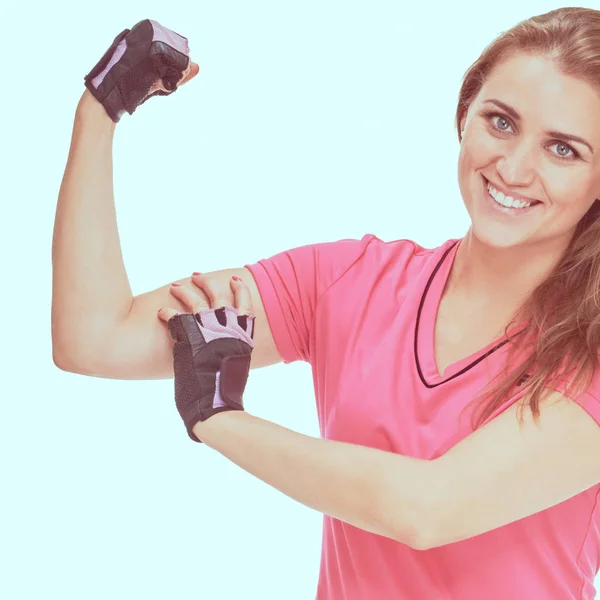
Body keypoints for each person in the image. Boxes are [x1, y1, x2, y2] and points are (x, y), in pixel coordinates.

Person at [51, 7, 600, 599]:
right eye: (500, 122)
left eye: (563, 150)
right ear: (465, 114)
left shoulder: (588, 352)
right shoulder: (350, 282)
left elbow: (427, 510)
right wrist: (100, 110)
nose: (514, 167)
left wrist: (220, 418)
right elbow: (94, 339)